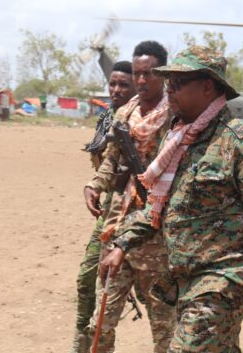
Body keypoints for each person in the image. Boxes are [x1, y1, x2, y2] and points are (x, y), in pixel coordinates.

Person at [100, 45, 243, 352]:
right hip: (183, 279)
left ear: (207, 86)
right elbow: (157, 207)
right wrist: (122, 244)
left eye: (178, 83)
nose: (170, 90)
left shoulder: (241, 141)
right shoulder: (178, 140)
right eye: (168, 83)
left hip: (223, 280)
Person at [84, 41, 175, 353]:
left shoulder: (177, 116)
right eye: (137, 73)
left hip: (158, 234)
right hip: (119, 225)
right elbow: (112, 158)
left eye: (148, 73)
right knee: (101, 321)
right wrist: (95, 184)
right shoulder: (126, 113)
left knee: (163, 324)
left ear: (163, 74)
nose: (141, 80)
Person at [71, 61, 135, 353]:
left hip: (144, 214)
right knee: (88, 282)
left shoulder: (153, 119)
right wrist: (94, 184)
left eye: (124, 84)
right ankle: (82, 347)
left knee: (158, 295)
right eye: (113, 83)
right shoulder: (110, 117)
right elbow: (107, 162)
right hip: (110, 211)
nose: (116, 90)